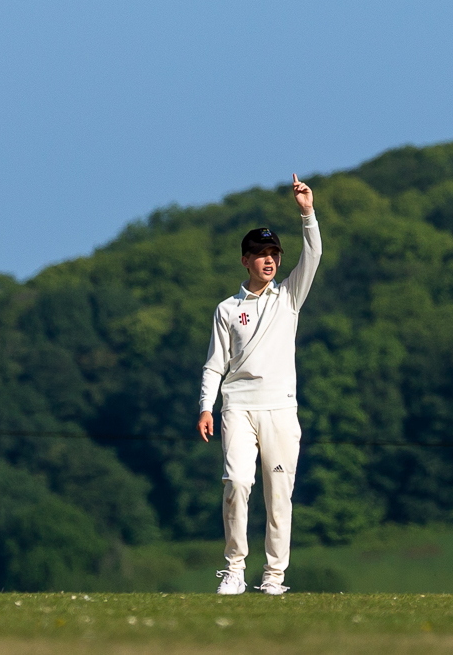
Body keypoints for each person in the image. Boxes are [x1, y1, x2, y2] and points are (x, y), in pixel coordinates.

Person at [197, 175, 320, 596]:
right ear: (245, 260)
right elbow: (215, 364)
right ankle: (233, 570)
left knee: (278, 495)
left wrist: (307, 213)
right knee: (237, 482)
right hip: (237, 405)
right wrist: (205, 407)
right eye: (261, 254)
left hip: (281, 409)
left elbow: (314, 254)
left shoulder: (288, 298)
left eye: (274, 254)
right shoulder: (227, 309)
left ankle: (273, 578)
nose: (269, 261)